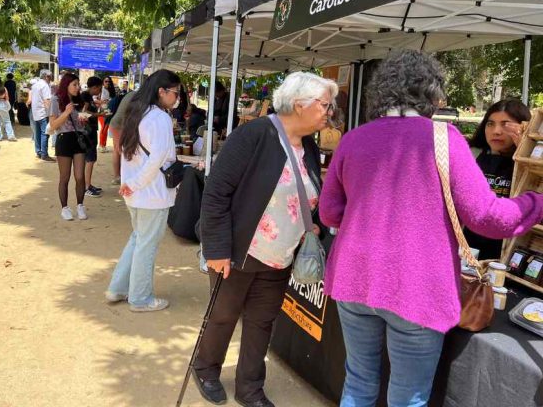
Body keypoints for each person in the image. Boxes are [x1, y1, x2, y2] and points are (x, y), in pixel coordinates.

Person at [319, 50, 543, 407]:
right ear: (431, 94)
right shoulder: (444, 138)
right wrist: (536, 201)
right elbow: (488, 217)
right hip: (414, 285)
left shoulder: (353, 139)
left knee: (358, 382)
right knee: (408, 398)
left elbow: (330, 214)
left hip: (353, 277)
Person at [194, 72, 335, 407]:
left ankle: (250, 388)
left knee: (262, 323)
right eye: (325, 105)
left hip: (280, 256)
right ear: (300, 104)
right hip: (239, 251)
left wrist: (312, 226)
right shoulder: (254, 135)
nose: (328, 113)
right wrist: (216, 249)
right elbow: (216, 194)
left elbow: (306, 196)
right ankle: (206, 368)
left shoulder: (310, 147)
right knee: (224, 315)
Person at [106, 70, 180, 312]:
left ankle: (119, 287)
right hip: (150, 193)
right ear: (162, 91)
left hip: (135, 191)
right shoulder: (159, 118)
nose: (177, 98)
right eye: (175, 93)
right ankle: (140, 298)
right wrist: (135, 184)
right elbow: (157, 158)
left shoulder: (137, 112)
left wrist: (130, 184)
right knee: (146, 244)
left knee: (138, 239)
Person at [464, 99, 531, 260]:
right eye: (490, 124)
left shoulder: (532, 163)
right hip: (467, 247)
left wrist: (524, 153)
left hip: (510, 254)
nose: (496, 131)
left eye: (505, 124)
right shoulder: (470, 155)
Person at [48, 73, 89, 221]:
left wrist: (83, 119)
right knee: (64, 177)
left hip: (79, 138)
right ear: (66, 85)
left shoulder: (79, 100)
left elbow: (79, 122)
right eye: (75, 84)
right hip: (64, 138)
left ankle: (80, 205)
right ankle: (64, 207)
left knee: (80, 176)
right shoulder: (55, 100)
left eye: (78, 85)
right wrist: (66, 112)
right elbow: (53, 125)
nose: (78, 88)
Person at [109, 88, 138, 186]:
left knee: (117, 150)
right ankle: (119, 177)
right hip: (119, 125)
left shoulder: (133, 94)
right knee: (120, 151)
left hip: (116, 123)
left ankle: (118, 176)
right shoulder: (139, 97)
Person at [80, 76, 104, 197]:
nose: (99, 91)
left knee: (90, 159)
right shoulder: (85, 96)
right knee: (90, 159)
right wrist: (98, 114)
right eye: (99, 88)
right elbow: (84, 112)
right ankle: (86, 187)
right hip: (87, 132)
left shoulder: (88, 97)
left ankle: (87, 184)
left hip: (90, 130)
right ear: (94, 87)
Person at [31, 70, 55, 161]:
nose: (51, 79)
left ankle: (39, 152)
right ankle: (44, 154)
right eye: (50, 77)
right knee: (45, 133)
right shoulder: (45, 86)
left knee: (37, 133)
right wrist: (51, 113)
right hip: (43, 113)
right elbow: (47, 101)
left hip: (36, 113)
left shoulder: (35, 85)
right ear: (46, 77)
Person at [99, 77, 118, 153]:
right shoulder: (101, 90)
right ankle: (101, 145)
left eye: (109, 81)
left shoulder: (111, 91)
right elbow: (94, 99)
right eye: (106, 81)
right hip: (102, 111)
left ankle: (103, 145)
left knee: (106, 128)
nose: (107, 83)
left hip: (109, 111)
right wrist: (102, 101)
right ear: (103, 82)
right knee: (104, 128)